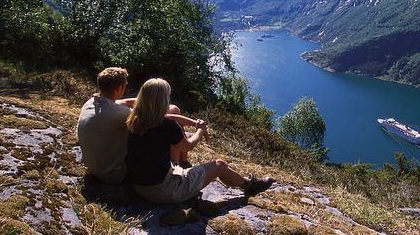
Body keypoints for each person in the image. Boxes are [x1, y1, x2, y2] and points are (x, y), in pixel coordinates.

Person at [126, 78, 274, 204]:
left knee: (173, 152)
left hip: (139, 186)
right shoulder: (168, 126)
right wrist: (200, 130)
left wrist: (194, 123)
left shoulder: (134, 119)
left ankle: (246, 183)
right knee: (219, 165)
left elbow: (169, 118)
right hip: (164, 191)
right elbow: (188, 146)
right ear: (163, 100)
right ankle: (250, 186)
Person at [77, 67, 191, 184]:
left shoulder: (92, 103)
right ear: (119, 88)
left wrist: (147, 98)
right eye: (125, 85)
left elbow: (125, 102)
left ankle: (181, 163)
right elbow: (156, 116)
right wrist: (194, 123)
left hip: (95, 166)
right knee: (168, 124)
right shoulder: (118, 112)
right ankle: (178, 167)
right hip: (114, 173)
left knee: (172, 111)